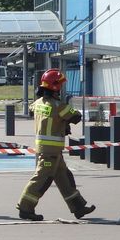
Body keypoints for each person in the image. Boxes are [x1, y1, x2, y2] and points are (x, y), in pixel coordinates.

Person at [16, 69, 96, 221]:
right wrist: (65, 119)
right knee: (41, 179)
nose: (61, 88)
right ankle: (25, 208)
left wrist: (61, 122)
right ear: (55, 87)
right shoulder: (59, 106)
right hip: (50, 152)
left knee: (65, 178)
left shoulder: (37, 103)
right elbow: (76, 116)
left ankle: (78, 207)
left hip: (49, 150)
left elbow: (40, 114)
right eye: (60, 85)